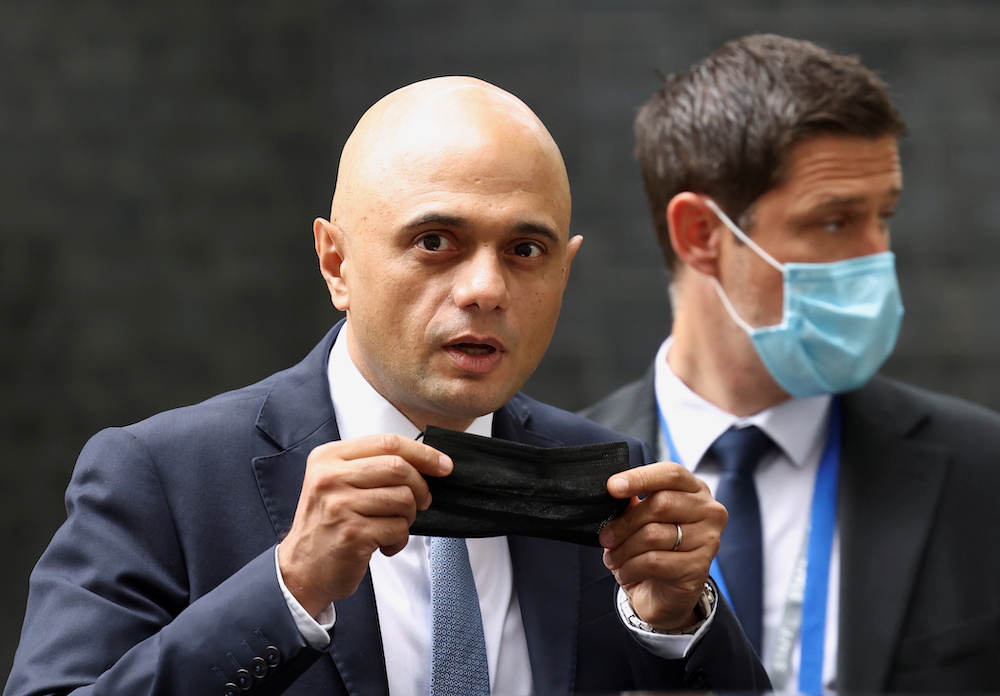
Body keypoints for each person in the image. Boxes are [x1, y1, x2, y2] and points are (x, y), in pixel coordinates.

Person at [5, 77, 768, 696]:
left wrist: (678, 627)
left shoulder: (612, 476)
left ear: (564, 269)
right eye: (436, 242)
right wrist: (287, 589)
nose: (484, 288)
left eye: (525, 249)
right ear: (337, 263)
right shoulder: (163, 476)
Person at [581, 33, 1000, 694]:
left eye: (883, 217)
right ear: (701, 235)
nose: (876, 259)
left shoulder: (982, 470)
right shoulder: (565, 493)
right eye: (834, 222)